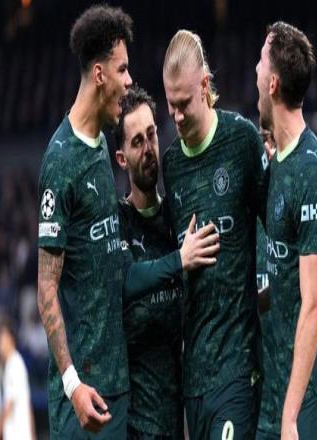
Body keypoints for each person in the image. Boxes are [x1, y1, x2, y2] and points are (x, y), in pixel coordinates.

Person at [37, 6, 216, 437]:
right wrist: (72, 385)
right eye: (123, 69)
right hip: (82, 397)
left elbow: (116, 275)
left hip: (117, 393)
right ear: (99, 74)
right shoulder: (59, 161)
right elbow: (46, 288)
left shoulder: (100, 149)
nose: (129, 79)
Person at [162, 29, 269, 439]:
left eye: (184, 104)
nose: (176, 116)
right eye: (170, 104)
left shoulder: (241, 141)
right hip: (194, 379)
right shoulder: (172, 165)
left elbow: (274, 224)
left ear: (205, 86)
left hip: (239, 366)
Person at [255, 21, 317, 439]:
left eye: (260, 62)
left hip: (310, 400)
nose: (254, 71)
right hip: (281, 391)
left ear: (273, 84)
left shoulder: (310, 168)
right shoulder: (280, 162)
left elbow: (314, 306)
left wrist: (290, 417)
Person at [114, 84, 219, 439]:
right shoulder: (118, 222)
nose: (148, 149)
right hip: (134, 427)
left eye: (151, 135)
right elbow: (126, 280)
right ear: (122, 158)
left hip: (181, 422)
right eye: (137, 142)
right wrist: (180, 260)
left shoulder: (179, 218)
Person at [0, 322, 35, 440]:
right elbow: (28, 405)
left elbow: (9, 404)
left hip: (17, 433)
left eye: (2, 340)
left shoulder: (14, 364)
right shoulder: (15, 362)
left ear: (11, 339)